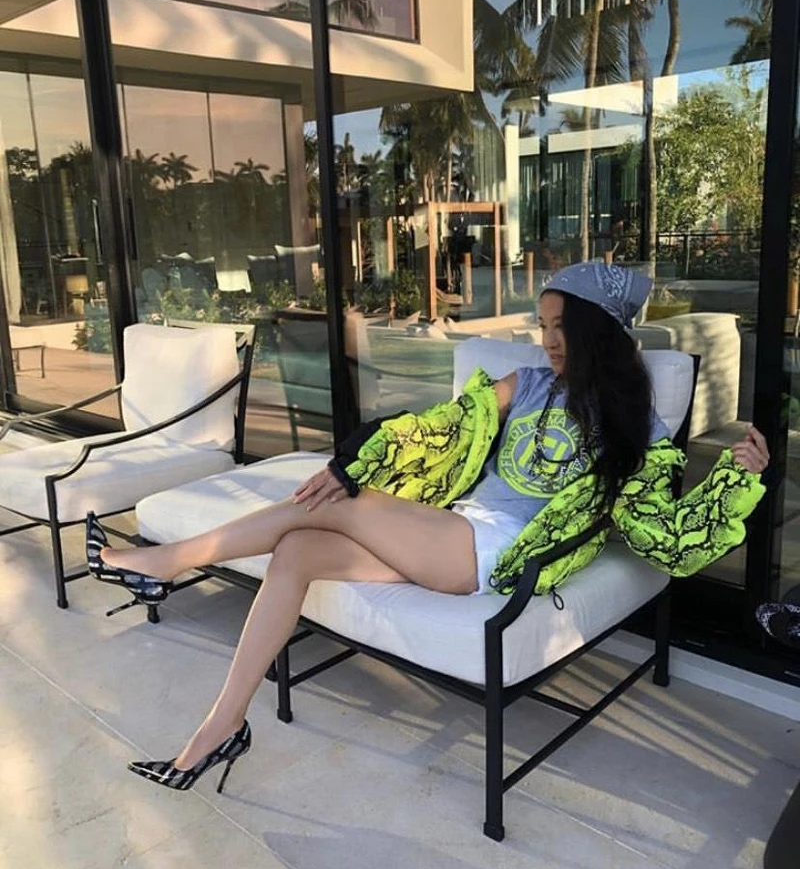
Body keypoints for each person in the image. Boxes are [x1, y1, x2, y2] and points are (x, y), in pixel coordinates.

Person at [85, 262, 770, 793]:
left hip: (492, 553)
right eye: (542, 326)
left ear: (598, 332)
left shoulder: (636, 428)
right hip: (450, 528)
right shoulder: (528, 383)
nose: (549, 341)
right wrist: (370, 453)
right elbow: (445, 424)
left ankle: (164, 562)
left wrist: (736, 479)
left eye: (562, 327)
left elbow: (663, 533)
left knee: (338, 500)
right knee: (295, 549)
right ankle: (221, 726)